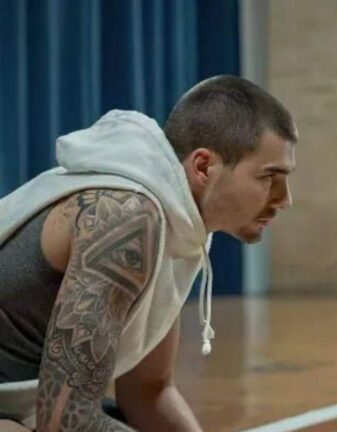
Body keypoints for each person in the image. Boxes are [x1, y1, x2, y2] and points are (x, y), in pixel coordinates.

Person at [0, 75, 297, 431]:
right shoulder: (126, 219)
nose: (285, 199)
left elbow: (148, 391)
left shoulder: (179, 225)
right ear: (203, 167)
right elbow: (65, 423)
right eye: (270, 177)